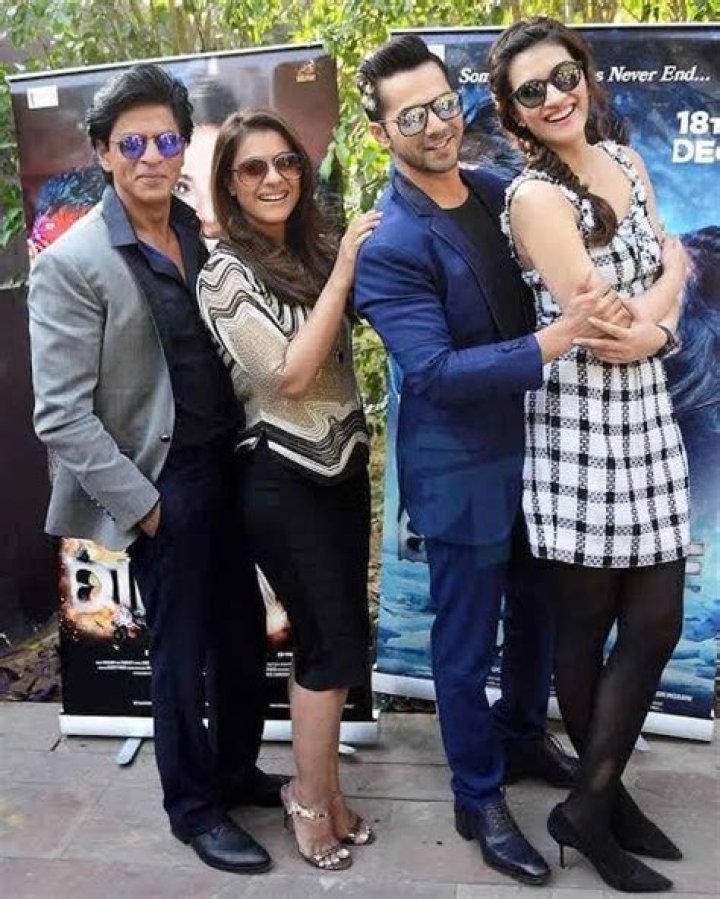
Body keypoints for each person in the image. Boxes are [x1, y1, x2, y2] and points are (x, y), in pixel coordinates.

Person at [353, 35, 628, 887]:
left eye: (443, 104)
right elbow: (434, 372)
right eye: (412, 117)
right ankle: (476, 796)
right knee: (466, 645)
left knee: (539, 619)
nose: (437, 126)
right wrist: (555, 340)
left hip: (546, 455)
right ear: (380, 131)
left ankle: (521, 736)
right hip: (462, 471)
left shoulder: (500, 190)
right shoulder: (390, 243)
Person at [27, 63, 284, 875]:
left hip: (232, 465)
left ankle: (235, 771)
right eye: (132, 144)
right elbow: (60, 414)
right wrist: (146, 508)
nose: (151, 158)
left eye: (166, 141)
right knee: (182, 652)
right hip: (164, 484)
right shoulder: (72, 262)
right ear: (104, 152)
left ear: (183, 147)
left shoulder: (199, 231)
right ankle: (193, 808)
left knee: (243, 637)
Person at [489, 17, 690, 892]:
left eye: (563, 76)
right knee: (586, 621)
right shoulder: (534, 198)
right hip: (578, 424)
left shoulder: (627, 162)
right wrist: (669, 296)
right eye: (531, 91)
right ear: (514, 114)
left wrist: (658, 320)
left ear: (585, 73)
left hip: (646, 415)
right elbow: (606, 318)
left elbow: (647, 312)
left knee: (658, 618)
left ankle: (594, 799)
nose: (554, 97)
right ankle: (600, 804)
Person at [197, 109, 380, 872]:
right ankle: (306, 798)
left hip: (346, 469)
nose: (274, 178)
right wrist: (343, 270)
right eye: (253, 168)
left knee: (342, 639)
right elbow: (288, 375)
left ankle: (327, 790)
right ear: (230, 186)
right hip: (281, 476)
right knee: (327, 642)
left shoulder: (312, 250)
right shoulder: (223, 272)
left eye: (286, 163)